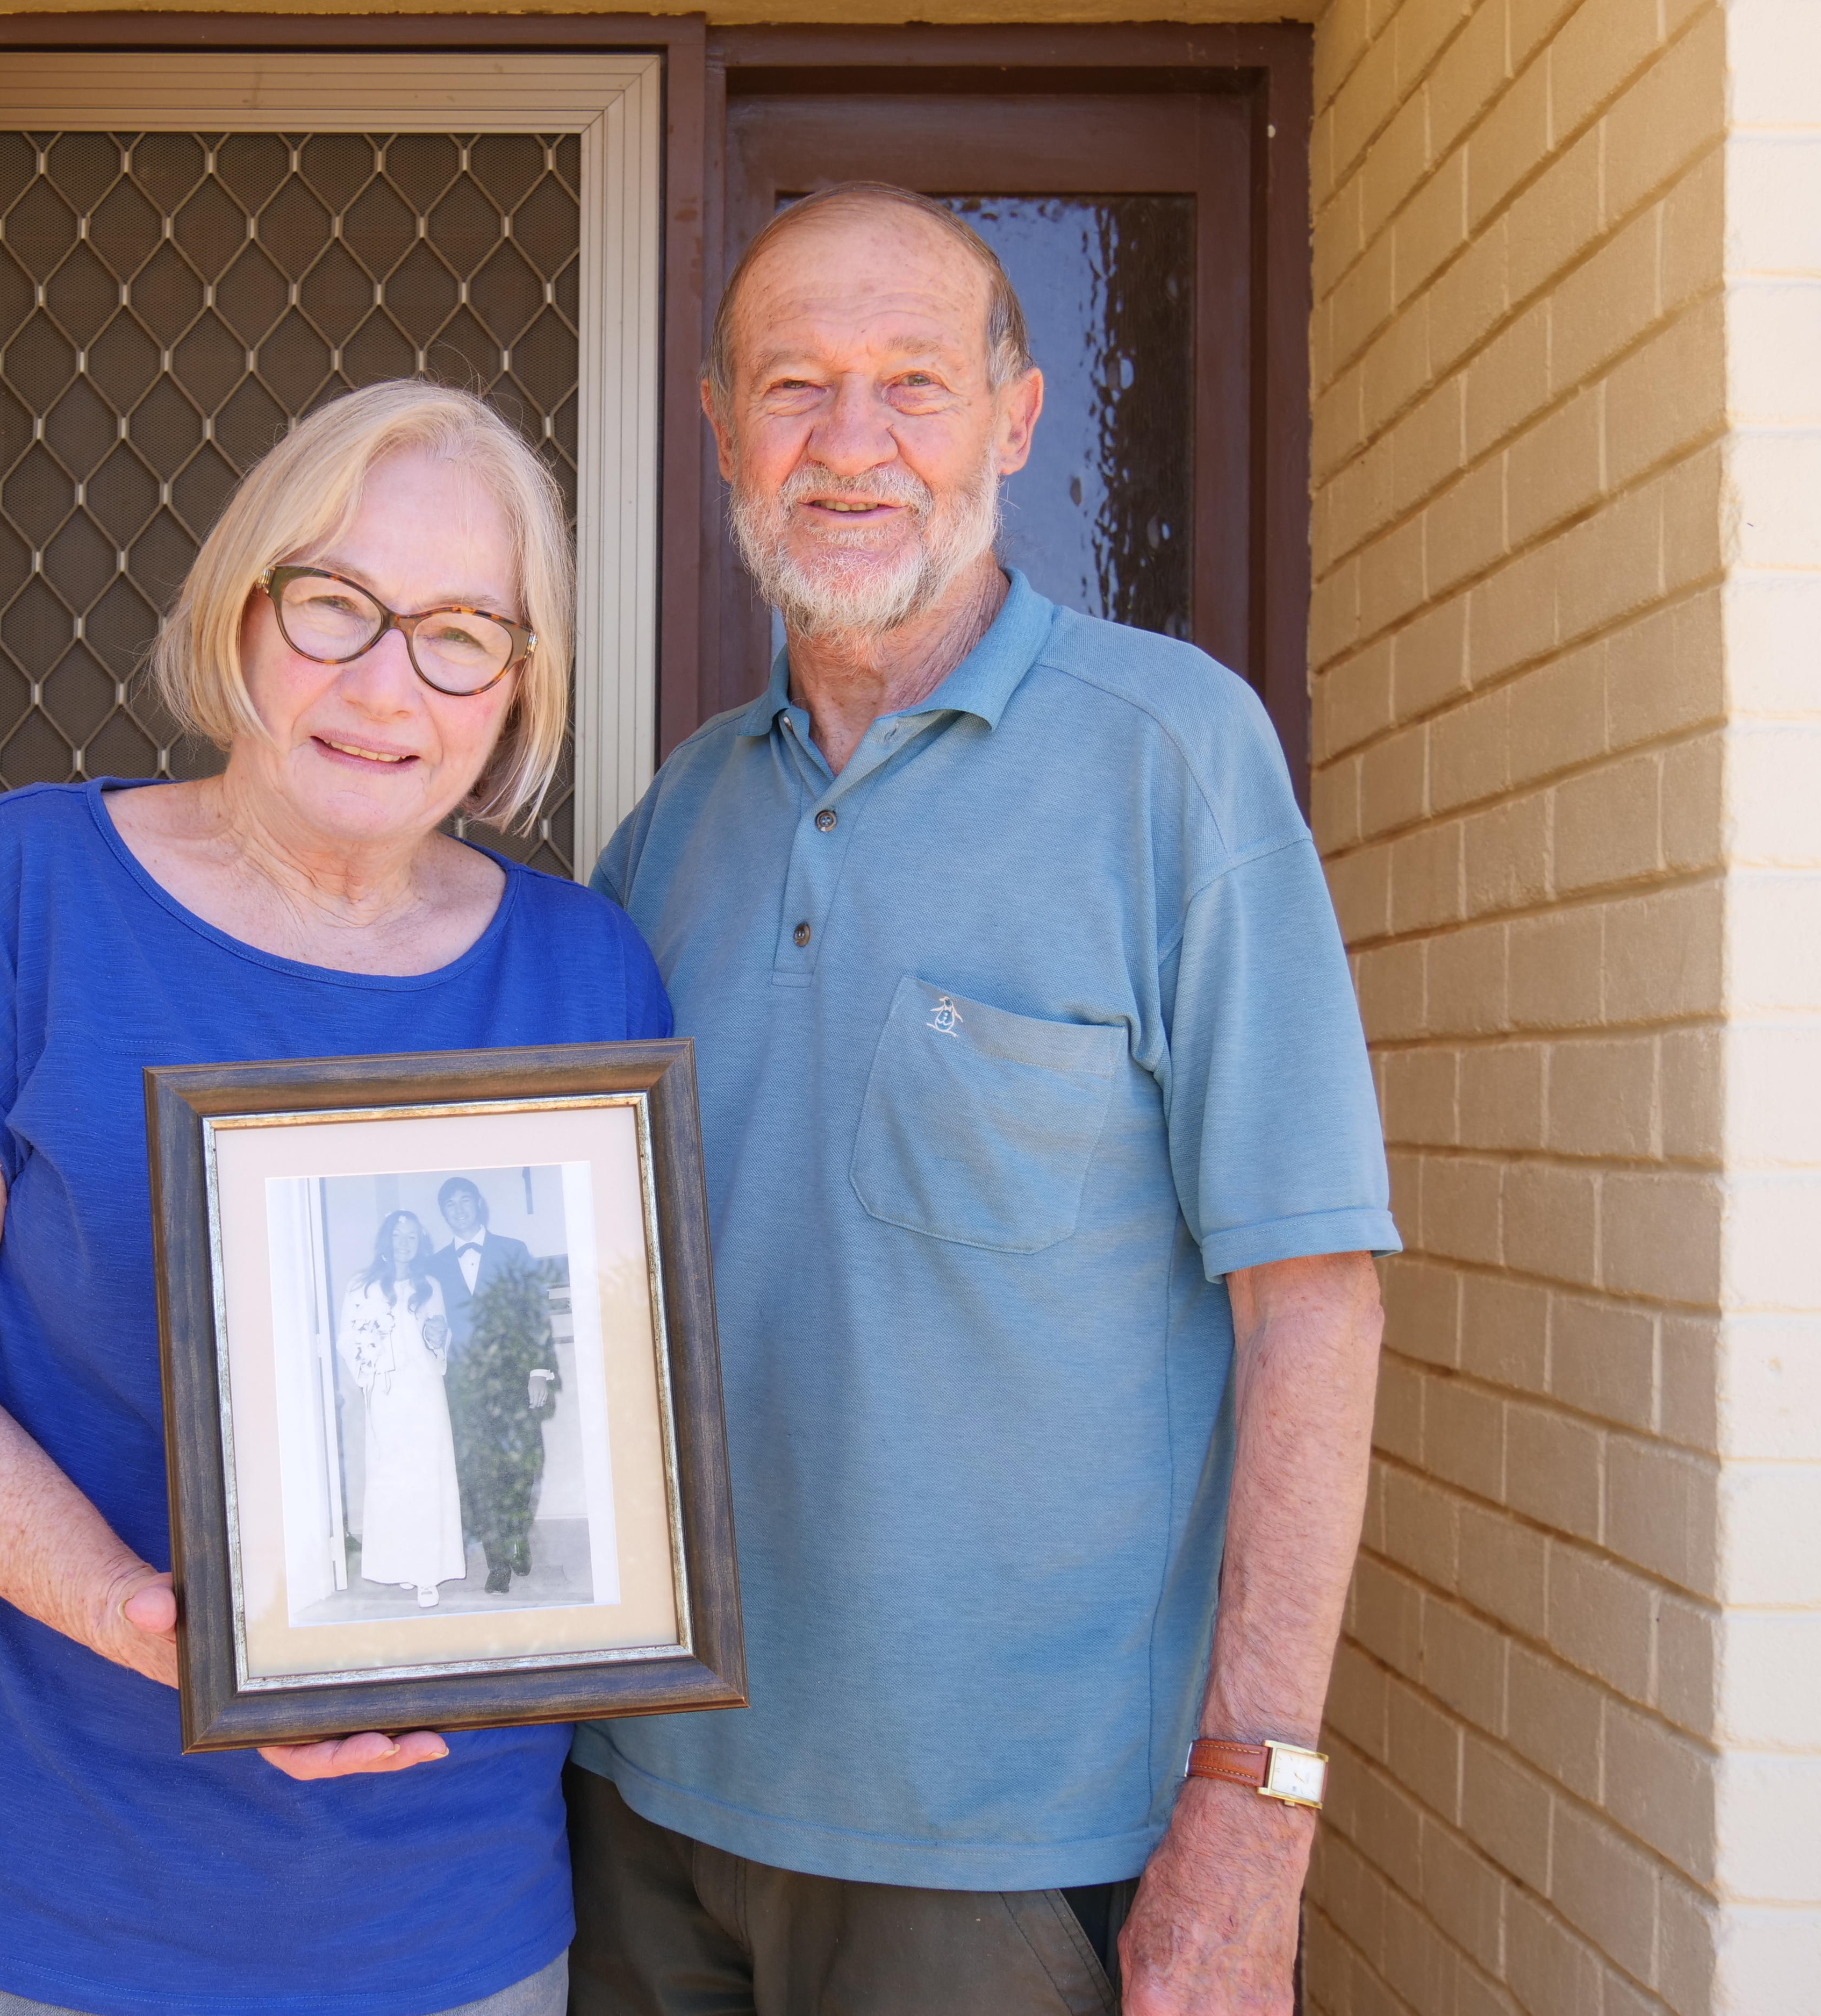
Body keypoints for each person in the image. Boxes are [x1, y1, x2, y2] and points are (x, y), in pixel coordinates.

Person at [572, 184, 1397, 2016]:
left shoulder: (1175, 756)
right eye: (794, 387)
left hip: (1010, 1851)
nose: (850, 445)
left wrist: (1259, 1803)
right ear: (719, 427)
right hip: (640, 1802)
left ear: (1016, 420)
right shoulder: (678, 821)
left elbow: (1314, 1302)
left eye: (913, 386)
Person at [0, 380, 673, 2016]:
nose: (380, 681)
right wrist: (143, 1614)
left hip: (429, 1931)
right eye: (334, 602)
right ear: (244, 606)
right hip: (7, 1901)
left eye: (459, 632)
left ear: (517, 687)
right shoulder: (23, 885)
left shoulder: (584, 967)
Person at [433, 1175, 561, 1593]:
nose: (459, 1209)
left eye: (465, 1201)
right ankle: (498, 1561)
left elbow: (533, 1310)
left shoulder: (513, 1251)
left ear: (478, 1205)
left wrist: (538, 1371)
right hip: (465, 1389)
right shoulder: (433, 1266)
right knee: (481, 1474)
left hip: (513, 1380)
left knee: (522, 1466)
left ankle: (518, 1534)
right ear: (444, 1213)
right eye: (450, 1205)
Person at [337, 1209, 464, 1606]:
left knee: (428, 1475)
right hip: (387, 1392)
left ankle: (427, 1574)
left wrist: (438, 1335)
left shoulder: (429, 1284)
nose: (404, 1242)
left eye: (412, 1236)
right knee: (394, 1477)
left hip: (425, 1389)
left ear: (420, 1243)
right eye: (397, 1234)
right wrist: (370, 1365)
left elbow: (441, 1335)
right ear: (385, 1240)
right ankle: (402, 1565)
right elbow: (347, 1338)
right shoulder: (361, 1286)